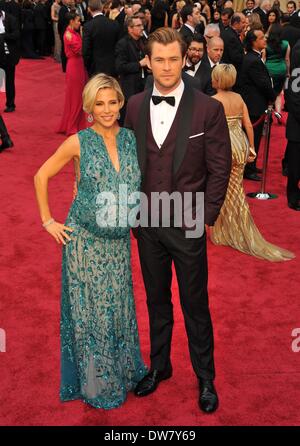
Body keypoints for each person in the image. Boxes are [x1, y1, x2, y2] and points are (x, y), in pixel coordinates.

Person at [125, 27, 232, 413]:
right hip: (147, 223)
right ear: (148, 61)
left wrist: (205, 217)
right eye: (160, 60)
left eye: (174, 59)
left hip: (187, 224)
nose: (167, 67)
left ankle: (205, 378)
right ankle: (160, 365)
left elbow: (220, 169)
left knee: (195, 303)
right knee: (156, 300)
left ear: (184, 58)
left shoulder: (208, 108)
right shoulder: (134, 105)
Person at [34, 73, 147, 409]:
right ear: (88, 107)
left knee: (119, 309)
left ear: (121, 103)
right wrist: (48, 221)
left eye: (113, 102)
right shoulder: (78, 142)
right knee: (92, 315)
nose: (107, 109)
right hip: (84, 243)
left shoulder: (130, 139)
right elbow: (41, 175)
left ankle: (123, 370)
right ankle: (98, 384)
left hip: (119, 243)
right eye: (100, 103)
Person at [210, 64, 294, 261]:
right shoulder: (238, 98)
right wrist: (251, 147)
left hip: (222, 147)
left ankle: (223, 232)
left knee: (220, 190)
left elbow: (210, 130)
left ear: (218, 80)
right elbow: (248, 124)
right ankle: (237, 230)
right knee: (235, 189)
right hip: (239, 144)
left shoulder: (213, 101)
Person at [239, 29, 276, 181]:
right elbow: (263, 84)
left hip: (255, 104)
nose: (265, 40)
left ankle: (251, 166)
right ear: (254, 41)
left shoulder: (254, 57)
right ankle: (249, 169)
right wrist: (273, 97)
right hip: (254, 106)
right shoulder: (253, 60)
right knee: (251, 139)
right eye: (261, 38)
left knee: (253, 138)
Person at [57, 11, 87, 135]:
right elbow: (80, 50)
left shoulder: (72, 33)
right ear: (71, 21)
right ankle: (72, 126)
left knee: (78, 96)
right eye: (78, 20)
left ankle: (75, 124)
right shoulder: (69, 35)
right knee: (75, 98)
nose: (80, 23)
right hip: (74, 66)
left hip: (78, 65)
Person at [82, 0, 120, 77]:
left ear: (89, 9)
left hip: (96, 67)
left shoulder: (88, 26)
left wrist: (88, 66)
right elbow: (119, 46)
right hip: (113, 66)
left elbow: (86, 50)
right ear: (102, 7)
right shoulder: (114, 23)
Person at [265, 24, 290, 122]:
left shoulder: (266, 44)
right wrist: (288, 72)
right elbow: (287, 59)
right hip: (281, 70)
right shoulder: (286, 44)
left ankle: (268, 115)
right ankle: (278, 113)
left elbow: (264, 58)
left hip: (269, 70)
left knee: (268, 93)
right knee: (279, 93)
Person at [0, 8, 20, 113]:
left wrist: (2, 37)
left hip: (8, 56)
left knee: (9, 81)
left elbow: (16, 34)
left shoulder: (11, 19)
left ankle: (10, 104)